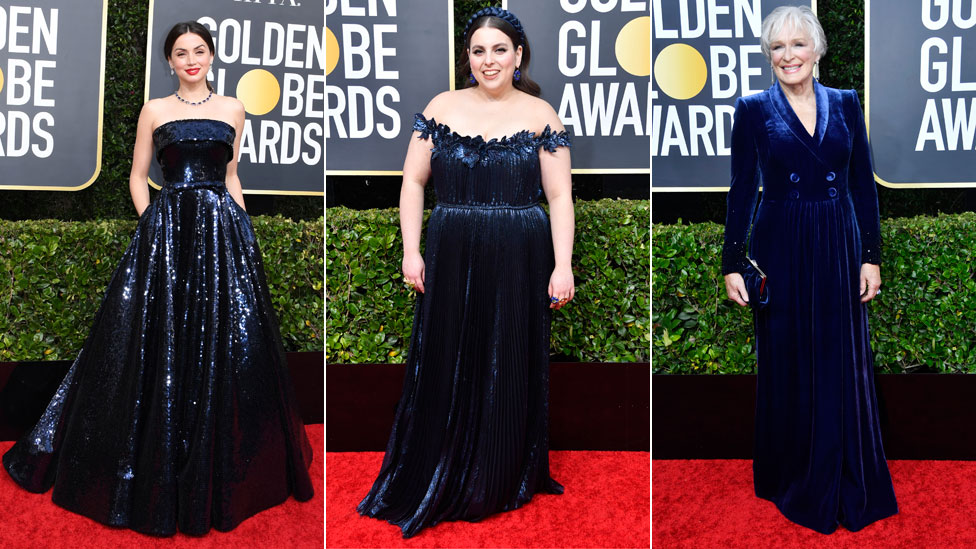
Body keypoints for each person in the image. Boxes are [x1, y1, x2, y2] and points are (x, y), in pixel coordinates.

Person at [2, 21, 313, 536]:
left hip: (221, 233)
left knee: (225, 340)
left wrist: (244, 233)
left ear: (212, 56)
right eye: (181, 52)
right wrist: (152, 225)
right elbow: (136, 174)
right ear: (169, 61)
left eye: (200, 51)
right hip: (167, 230)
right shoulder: (155, 109)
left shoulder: (234, 108)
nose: (192, 59)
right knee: (151, 341)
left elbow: (232, 175)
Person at [356, 7, 575, 539]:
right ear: (468, 58)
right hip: (451, 251)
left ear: (519, 56)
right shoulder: (440, 106)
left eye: (500, 49)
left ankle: (499, 472)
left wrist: (563, 263)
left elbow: (560, 194)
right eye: (478, 51)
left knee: (507, 356)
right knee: (449, 353)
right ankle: (442, 461)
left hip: (519, 254)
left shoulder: (542, 114)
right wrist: (411, 250)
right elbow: (412, 182)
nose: (489, 60)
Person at [722, 5, 897, 534]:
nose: (788, 56)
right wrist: (733, 263)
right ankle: (792, 472)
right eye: (777, 47)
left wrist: (871, 255)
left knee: (841, 356)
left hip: (839, 242)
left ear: (817, 50)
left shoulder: (845, 103)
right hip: (782, 244)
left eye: (798, 45)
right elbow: (740, 190)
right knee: (789, 357)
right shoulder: (753, 109)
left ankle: (844, 466)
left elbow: (862, 185)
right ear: (768, 56)